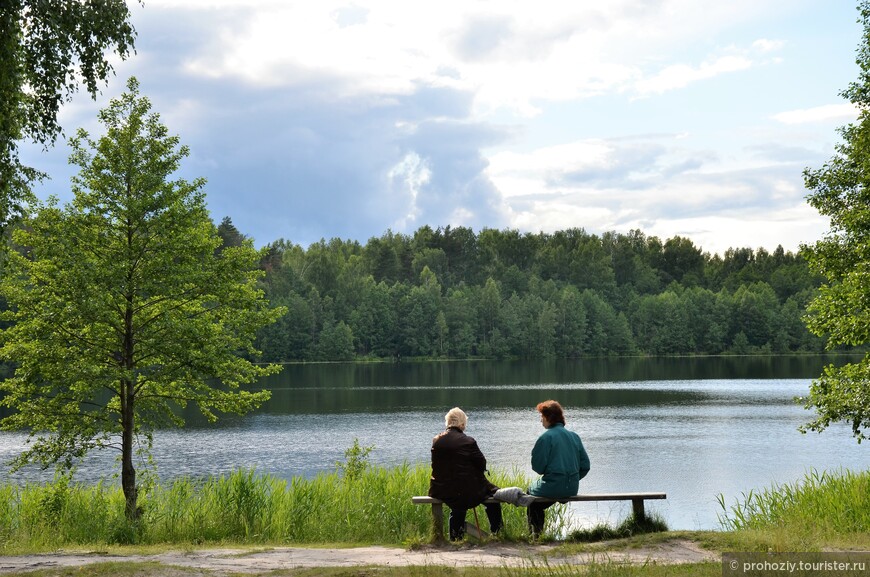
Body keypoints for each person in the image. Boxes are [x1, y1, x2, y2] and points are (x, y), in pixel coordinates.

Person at [429, 407, 502, 540]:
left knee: (458, 503)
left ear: (448, 423)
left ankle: (456, 538)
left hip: (440, 488)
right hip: (465, 490)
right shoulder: (468, 441)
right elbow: (482, 463)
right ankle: (497, 534)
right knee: (493, 500)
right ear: (462, 424)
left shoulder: (436, 440)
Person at [527, 400, 590, 537]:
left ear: (548, 418)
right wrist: (571, 477)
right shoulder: (574, 436)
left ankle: (535, 535)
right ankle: (536, 535)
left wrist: (555, 476)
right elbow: (585, 466)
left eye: (541, 417)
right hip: (572, 487)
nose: (540, 421)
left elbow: (538, 467)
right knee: (539, 500)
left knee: (531, 497)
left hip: (553, 486)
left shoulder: (545, 437)